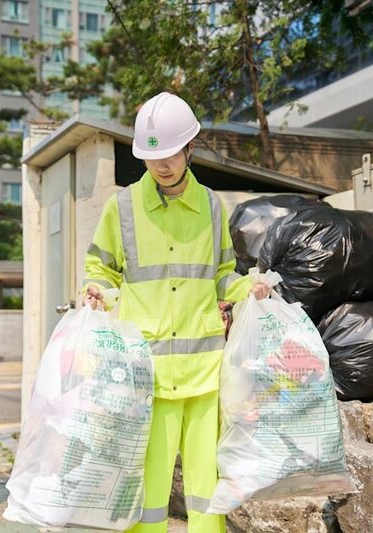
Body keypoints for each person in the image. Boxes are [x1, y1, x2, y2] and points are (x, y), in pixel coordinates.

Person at [82, 92, 268, 533]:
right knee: (148, 489)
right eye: (153, 157)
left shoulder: (210, 206)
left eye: (170, 154)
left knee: (206, 488)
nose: (162, 165)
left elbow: (222, 274)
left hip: (204, 372)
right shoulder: (122, 207)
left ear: (189, 148)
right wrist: (96, 289)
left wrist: (249, 287)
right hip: (148, 374)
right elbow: (100, 268)